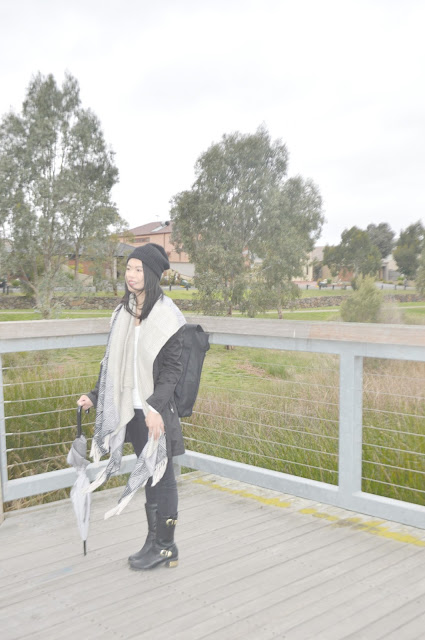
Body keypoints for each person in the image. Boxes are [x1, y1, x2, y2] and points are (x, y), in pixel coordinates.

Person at [77, 243, 186, 571]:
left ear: (151, 274)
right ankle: (153, 541)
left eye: (138, 269)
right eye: (128, 269)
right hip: (132, 411)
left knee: (163, 478)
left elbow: (173, 370)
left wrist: (154, 409)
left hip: (155, 412)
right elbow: (112, 363)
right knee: (148, 476)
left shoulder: (167, 315)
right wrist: (95, 396)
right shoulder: (123, 312)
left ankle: (167, 547)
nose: (131, 275)